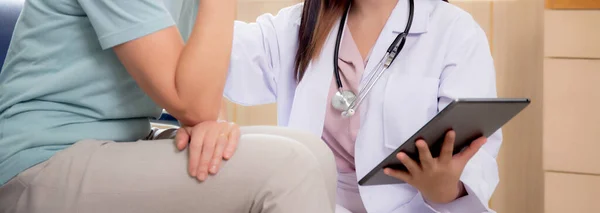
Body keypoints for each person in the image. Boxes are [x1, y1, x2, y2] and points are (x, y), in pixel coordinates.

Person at [0, 1, 337, 213]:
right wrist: (198, 112)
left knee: (311, 152)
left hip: (123, 141)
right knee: (288, 169)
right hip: (38, 162)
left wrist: (211, 124)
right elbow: (192, 101)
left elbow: (191, 73)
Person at [214, 0, 503, 212]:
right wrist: (213, 120)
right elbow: (214, 56)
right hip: (308, 204)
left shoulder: (455, 33)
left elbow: (476, 155)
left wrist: (445, 190)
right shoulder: (296, 27)